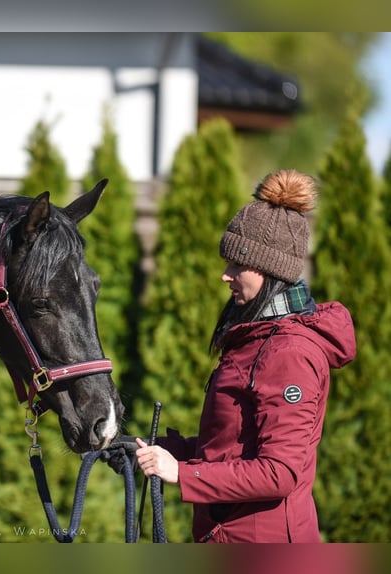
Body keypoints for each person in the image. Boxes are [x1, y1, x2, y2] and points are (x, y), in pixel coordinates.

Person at [135, 169, 356, 543]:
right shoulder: (254, 339)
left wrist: (182, 474)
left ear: (269, 270)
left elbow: (279, 472)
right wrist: (166, 452)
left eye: (238, 263)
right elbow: (231, 448)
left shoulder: (290, 352)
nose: (226, 274)